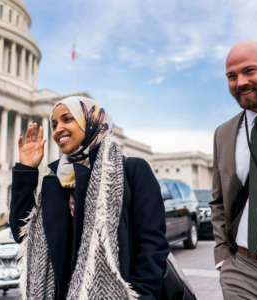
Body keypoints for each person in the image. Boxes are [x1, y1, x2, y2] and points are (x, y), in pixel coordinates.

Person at [10, 96, 169, 300]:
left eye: (67, 119)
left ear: (92, 121)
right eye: (54, 124)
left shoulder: (131, 170)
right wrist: (26, 171)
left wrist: (143, 296)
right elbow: (22, 234)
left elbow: (152, 245)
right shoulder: (55, 180)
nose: (58, 129)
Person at [210, 40, 257, 300]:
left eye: (249, 71)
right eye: (232, 76)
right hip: (243, 271)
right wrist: (223, 260)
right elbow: (218, 201)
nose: (240, 82)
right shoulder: (223, 134)